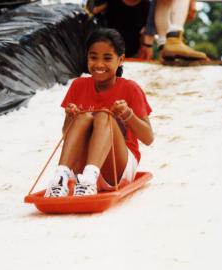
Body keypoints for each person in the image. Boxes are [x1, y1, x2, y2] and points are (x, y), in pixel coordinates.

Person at [44, 28, 154, 197]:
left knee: (104, 116)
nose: (99, 64)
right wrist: (70, 117)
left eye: (107, 58)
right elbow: (67, 136)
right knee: (83, 117)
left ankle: (89, 179)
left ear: (121, 60)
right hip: (80, 167)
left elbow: (148, 138)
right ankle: (61, 178)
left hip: (117, 168)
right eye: (93, 57)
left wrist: (127, 114)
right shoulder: (78, 86)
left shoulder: (130, 89)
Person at [90, 0, 155, 59]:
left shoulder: (147, 5)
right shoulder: (111, 2)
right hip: (108, 50)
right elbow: (92, 12)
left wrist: (145, 46)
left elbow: (146, 31)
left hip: (133, 51)